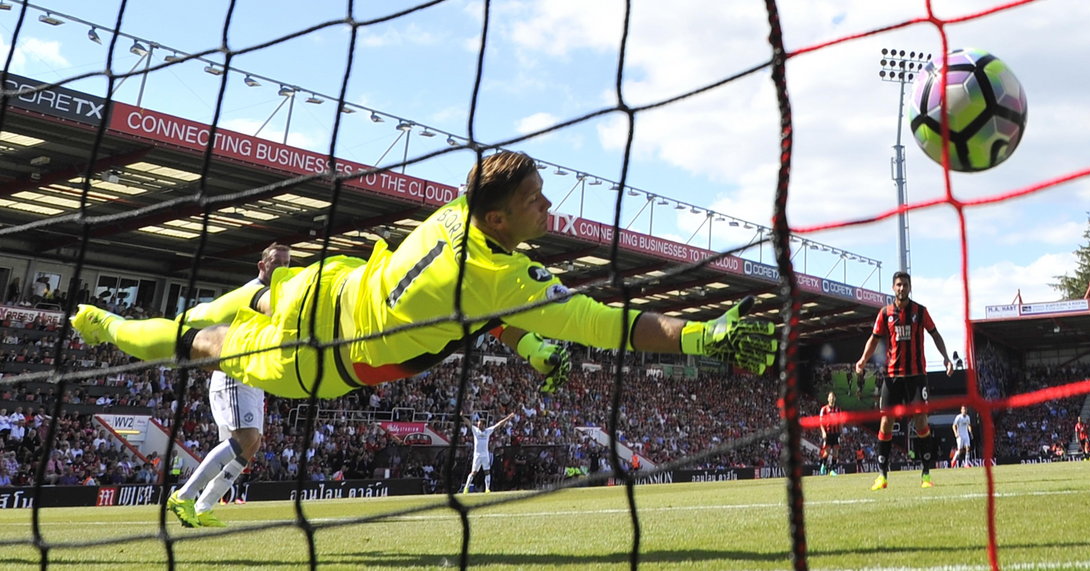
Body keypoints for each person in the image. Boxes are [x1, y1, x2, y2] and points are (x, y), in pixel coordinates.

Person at [71, 151, 777, 400]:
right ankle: (112, 329)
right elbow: (608, 325)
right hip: (311, 359)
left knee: (198, 324)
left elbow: (471, 313)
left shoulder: (455, 211)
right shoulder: (506, 283)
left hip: (319, 285)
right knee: (197, 343)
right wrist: (698, 337)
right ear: (499, 220)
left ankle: (110, 325)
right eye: (536, 198)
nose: (549, 205)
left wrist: (528, 345)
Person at [166, 243, 291, 528]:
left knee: (251, 445)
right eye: (275, 262)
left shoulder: (279, 296)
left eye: (286, 263)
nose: (281, 268)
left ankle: (203, 507)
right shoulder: (251, 293)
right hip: (234, 371)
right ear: (262, 265)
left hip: (253, 376)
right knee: (244, 439)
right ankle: (183, 496)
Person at [854, 271, 953, 490]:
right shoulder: (885, 313)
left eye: (905, 285)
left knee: (920, 422)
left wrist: (946, 358)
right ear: (893, 288)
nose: (901, 288)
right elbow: (874, 339)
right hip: (892, 377)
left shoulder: (920, 311)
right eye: (898, 285)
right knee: (886, 421)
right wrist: (862, 360)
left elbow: (935, 334)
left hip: (917, 376)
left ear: (910, 287)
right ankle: (882, 476)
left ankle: (926, 475)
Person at [462, 412, 514, 494]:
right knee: (473, 472)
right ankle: (466, 488)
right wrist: (462, 416)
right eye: (478, 424)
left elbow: (498, 424)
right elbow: (468, 423)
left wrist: (508, 418)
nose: (478, 425)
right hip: (477, 455)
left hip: (485, 455)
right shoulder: (475, 430)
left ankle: (487, 489)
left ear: (483, 425)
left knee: (487, 471)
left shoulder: (488, 431)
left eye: (480, 424)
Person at [818, 391, 842, 476]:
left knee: (836, 451)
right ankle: (823, 465)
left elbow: (840, 422)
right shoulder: (824, 409)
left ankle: (832, 470)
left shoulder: (838, 409)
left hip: (836, 433)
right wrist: (823, 432)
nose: (831, 398)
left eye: (833, 397)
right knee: (827, 451)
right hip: (828, 433)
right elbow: (821, 422)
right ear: (828, 399)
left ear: (835, 399)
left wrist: (841, 432)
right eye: (830, 397)